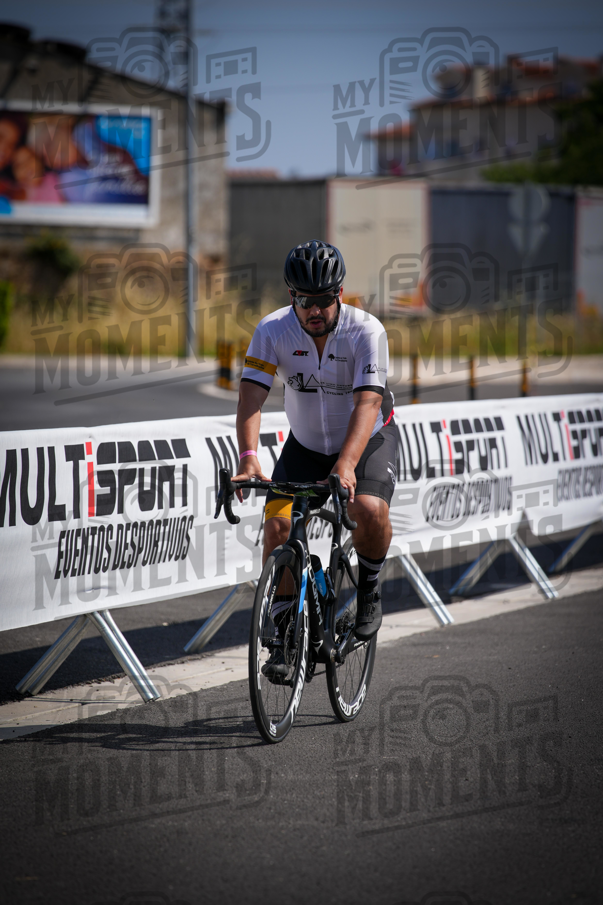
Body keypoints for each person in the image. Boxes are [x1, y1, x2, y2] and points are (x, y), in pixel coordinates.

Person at [234, 239, 397, 680]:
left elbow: (367, 403)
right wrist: (249, 458)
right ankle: (287, 637)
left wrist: (345, 464)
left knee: (366, 509)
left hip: (367, 442)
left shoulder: (367, 331)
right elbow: (251, 397)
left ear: (339, 293)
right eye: (306, 301)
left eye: (325, 299)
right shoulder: (272, 331)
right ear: (293, 298)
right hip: (305, 446)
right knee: (278, 526)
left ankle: (368, 590)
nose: (316, 310)